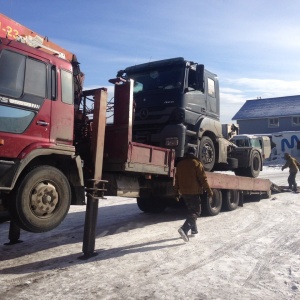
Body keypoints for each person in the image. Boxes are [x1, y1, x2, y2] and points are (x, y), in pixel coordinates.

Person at [174, 146, 213, 242]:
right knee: (196, 212)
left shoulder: (180, 164)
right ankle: (184, 229)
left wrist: (176, 193)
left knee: (191, 210)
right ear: (194, 153)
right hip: (194, 192)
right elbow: (203, 179)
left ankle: (194, 230)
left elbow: (176, 180)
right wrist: (209, 191)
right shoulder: (196, 164)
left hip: (184, 192)